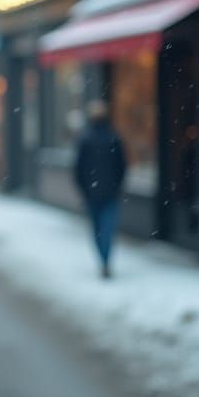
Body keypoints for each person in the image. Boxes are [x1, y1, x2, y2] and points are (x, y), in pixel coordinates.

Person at [74, 99, 126, 279]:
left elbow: (78, 169)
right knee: (107, 229)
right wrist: (116, 186)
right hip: (109, 193)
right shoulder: (114, 137)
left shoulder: (85, 139)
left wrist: (84, 189)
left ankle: (103, 260)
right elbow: (122, 167)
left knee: (97, 229)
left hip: (93, 193)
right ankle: (105, 260)